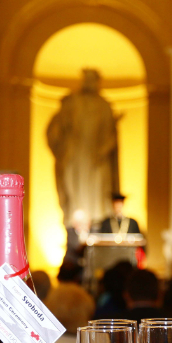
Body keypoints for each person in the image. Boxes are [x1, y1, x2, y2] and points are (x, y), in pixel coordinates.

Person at [46, 68, 120, 225]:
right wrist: (61, 150)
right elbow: (54, 129)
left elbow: (112, 136)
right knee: (74, 192)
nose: (90, 83)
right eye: (87, 79)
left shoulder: (104, 106)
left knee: (98, 195)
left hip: (97, 159)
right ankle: (75, 224)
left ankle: (97, 225)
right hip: (75, 157)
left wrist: (104, 149)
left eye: (93, 80)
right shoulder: (72, 102)